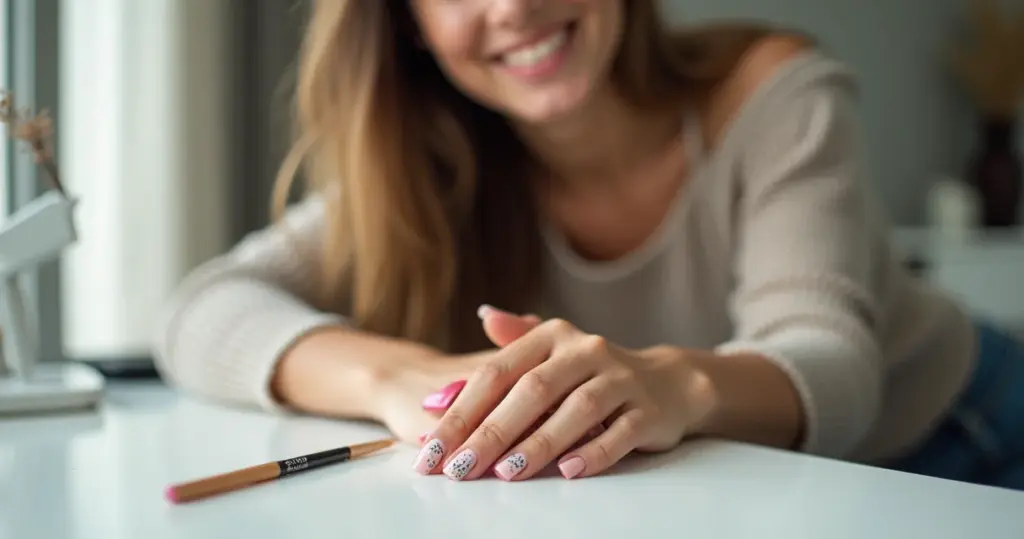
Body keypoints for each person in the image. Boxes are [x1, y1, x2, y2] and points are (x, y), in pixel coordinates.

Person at [153, 0, 1024, 490]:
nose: (512, 8)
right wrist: (405, 379)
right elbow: (200, 309)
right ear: (409, 23)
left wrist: (673, 382)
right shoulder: (428, 172)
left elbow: (836, 368)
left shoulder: (772, 92)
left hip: (960, 430)